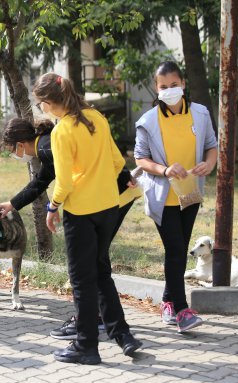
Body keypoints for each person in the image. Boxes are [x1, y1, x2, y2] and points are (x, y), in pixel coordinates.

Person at [0, 117, 142, 341]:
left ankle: (92, 319)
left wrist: (52, 207)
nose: (14, 155)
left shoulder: (45, 147)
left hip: (109, 197)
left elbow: (68, 174)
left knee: (91, 262)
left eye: (11, 149)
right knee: (97, 261)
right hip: (113, 195)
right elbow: (41, 181)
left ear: (20, 144)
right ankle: (102, 319)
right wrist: (12, 203)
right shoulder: (45, 145)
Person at [32, 73, 142, 365]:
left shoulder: (61, 130)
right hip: (108, 206)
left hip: (80, 212)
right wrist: (124, 177)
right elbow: (118, 160)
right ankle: (124, 336)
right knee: (101, 272)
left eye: (41, 104)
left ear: (51, 103)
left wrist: (52, 208)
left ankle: (86, 346)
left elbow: (64, 181)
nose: (42, 109)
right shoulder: (96, 118)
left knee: (82, 280)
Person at [133, 61, 218, 333]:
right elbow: (140, 158)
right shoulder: (148, 121)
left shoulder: (201, 114)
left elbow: (212, 146)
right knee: (175, 248)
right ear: (156, 89)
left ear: (183, 84)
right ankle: (182, 311)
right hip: (162, 197)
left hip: (190, 194)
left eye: (174, 85)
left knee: (180, 250)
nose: (169, 90)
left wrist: (209, 164)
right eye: (163, 86)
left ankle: (167, 302)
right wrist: (165, 169)